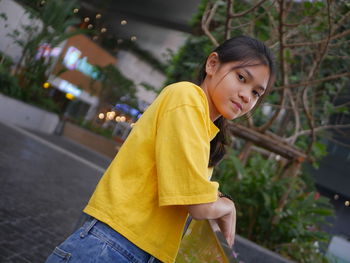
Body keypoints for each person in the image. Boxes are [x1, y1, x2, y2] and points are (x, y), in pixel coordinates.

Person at [45, 35, 275, 263]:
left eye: (256, 92)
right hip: (112, 245)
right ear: (212, 64)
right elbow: (196, 203)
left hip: (132, 249)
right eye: (242, 77)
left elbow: (191, 188)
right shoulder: (186, 96)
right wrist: (227, 206)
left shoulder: (205, 127)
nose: (246, 96)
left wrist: (220, 200)